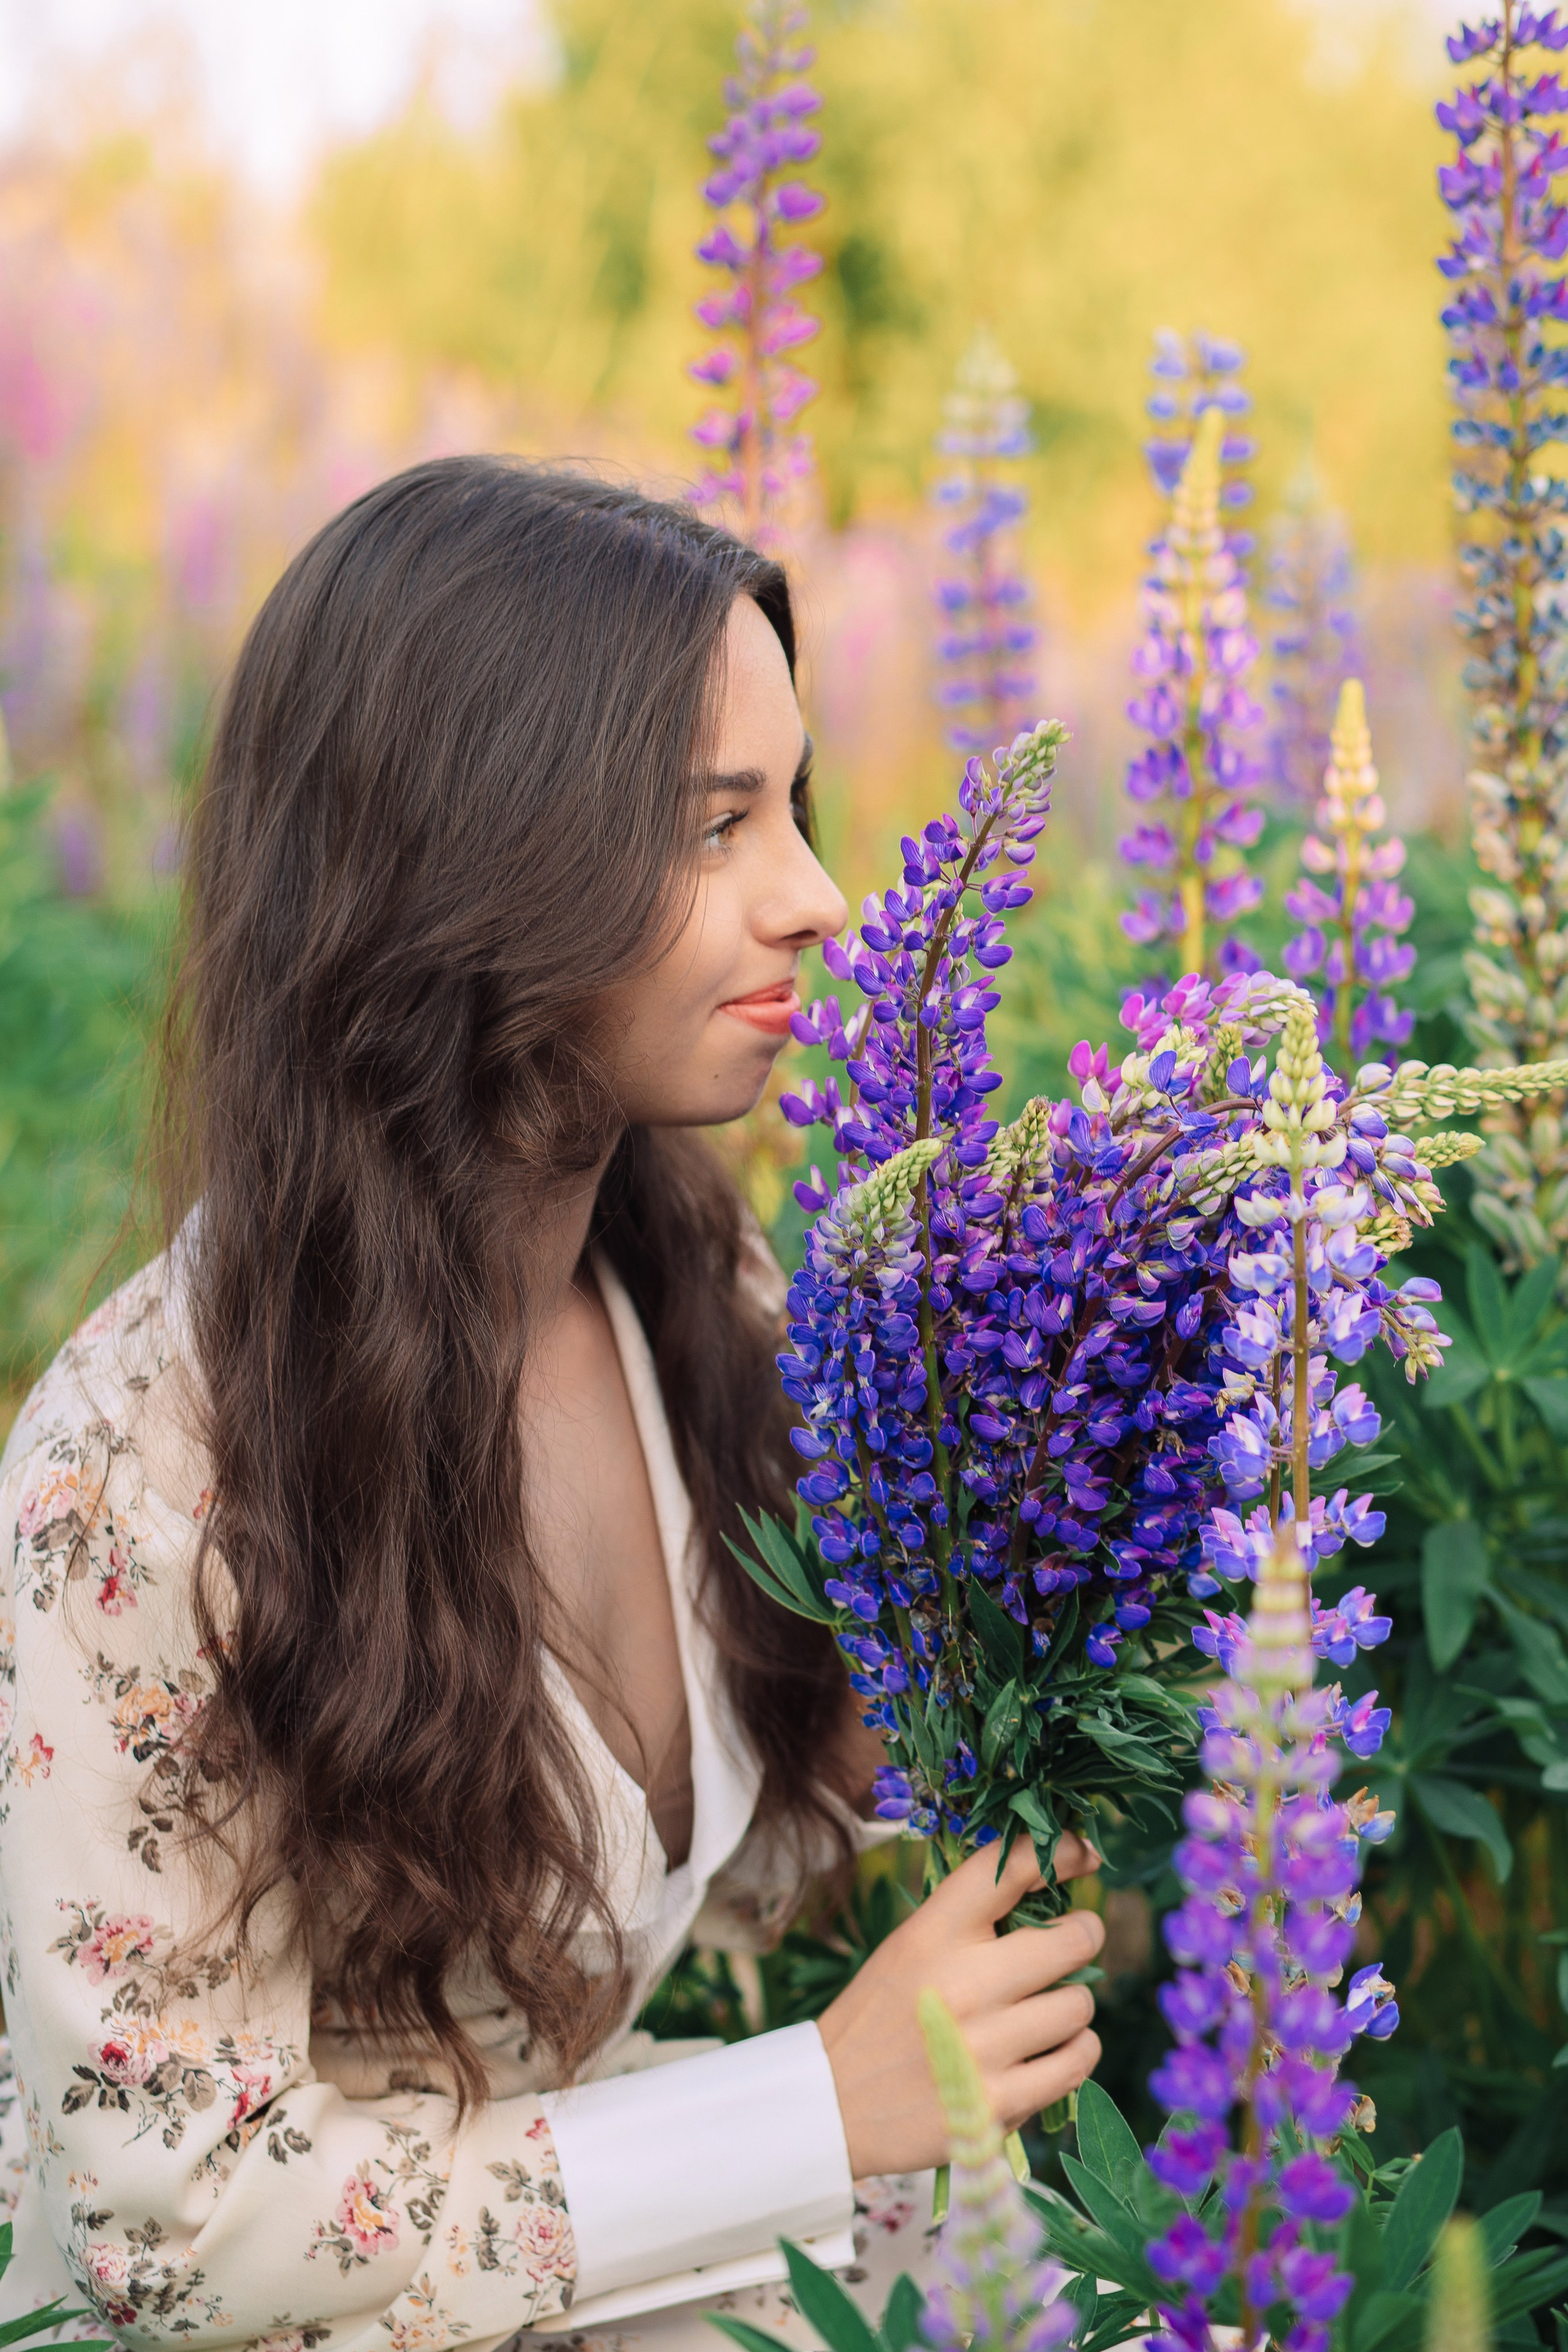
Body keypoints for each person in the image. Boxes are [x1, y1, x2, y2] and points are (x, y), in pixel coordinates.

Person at [0, 461, 1104, 2350]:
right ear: (470, 858)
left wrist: (1014, 1761)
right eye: (712, 827)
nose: (824, 901)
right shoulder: (140, 1472)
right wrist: (815, 2105)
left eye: (801, 809)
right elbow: (175, 2235)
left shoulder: (709, 1300)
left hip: (613, 2260)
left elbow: (762, 1862)